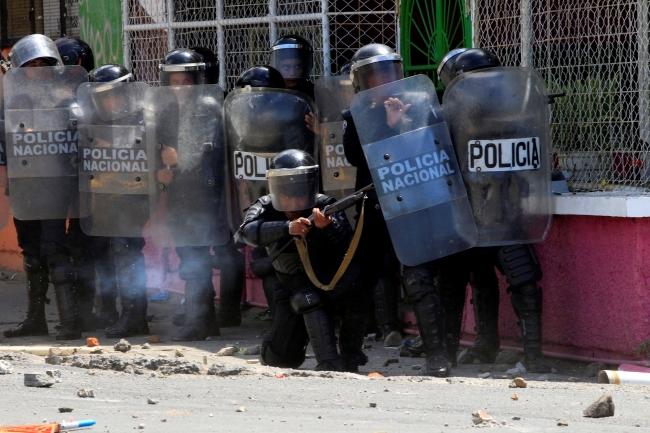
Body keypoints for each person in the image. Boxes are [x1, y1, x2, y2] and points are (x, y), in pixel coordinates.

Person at [434, 48, 552, 373]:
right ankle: (471, 348)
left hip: (507, 211)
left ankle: (533, 354)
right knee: (470, 278)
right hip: (469, 213)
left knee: (524, 275)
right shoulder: (447, 115)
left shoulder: (514, 108)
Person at [343, 44, 451, 376]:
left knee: (417, 276)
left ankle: (437, 355)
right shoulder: (356, 116)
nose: (384, 82)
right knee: (359, 278)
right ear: (361, 81)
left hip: (413, 202)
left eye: (388, 74)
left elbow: (434, 148)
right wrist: (388, 127)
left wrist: (403, 123)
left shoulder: (420, 106)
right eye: (375, 76)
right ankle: (346, 354)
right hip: (375, 203)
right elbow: (355, 158)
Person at [236, 149, 367, 372]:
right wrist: (287, 228)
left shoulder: (325, 204)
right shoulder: (265, 206)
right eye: (286, 195)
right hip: (291, 287)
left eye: (298, 194)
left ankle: (343, 359)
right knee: (280, 358)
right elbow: (245, 233)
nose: (293, 201)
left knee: (358, 291)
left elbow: (347, 243)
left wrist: (329, 227)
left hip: (329, 281)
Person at [2, 34, 86, 340]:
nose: (38, 69)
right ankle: (35, 320)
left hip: (55, 183)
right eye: (31, 64)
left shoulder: (66, 100)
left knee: (55, 248)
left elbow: (79, 141)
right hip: (25, 184)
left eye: (44, 63)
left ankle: (70, 322)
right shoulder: (13, 100)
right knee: (31, 253)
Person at [151, 48, 229, 341]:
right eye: (175, 81)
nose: (181, 87)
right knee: (189, 254)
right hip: (179, 194)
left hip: (205, 192)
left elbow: (205, 154)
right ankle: (206, 322)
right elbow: (160, 150)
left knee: (195, 258)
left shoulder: (209, 106)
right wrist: (163, 169)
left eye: (187, 80)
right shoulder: (168, 111)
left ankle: (197, 322)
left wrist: (179, 161)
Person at [76, 63, 152, 338]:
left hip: (134, 196)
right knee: (103, 251)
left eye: (117, 94)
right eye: (104, 96)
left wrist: (115, 147)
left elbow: (151, 157)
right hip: (104, 198)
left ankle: (134, 315)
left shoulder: (146, 119)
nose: (111, 101)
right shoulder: (94, 124)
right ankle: (111, 310)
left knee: (126, 250)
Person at [55, 37, 120, 331]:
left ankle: (108, 310)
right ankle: (85, 311)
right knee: (80, 248)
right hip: (76, 187)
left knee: (103, 250)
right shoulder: (56, 99)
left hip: (106, 188)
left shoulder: (97, 97)